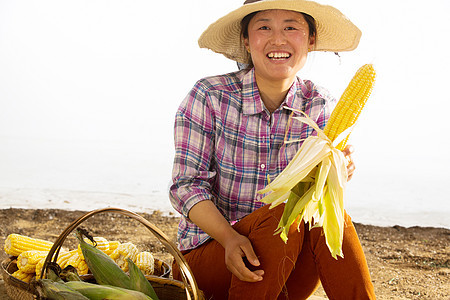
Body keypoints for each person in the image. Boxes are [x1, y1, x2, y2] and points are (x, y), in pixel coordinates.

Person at [169, 0, 376, 299]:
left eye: (291, 27)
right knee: (282, 214)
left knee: (327, 214)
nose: (278, 39)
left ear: (311, 39)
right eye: (264, 27)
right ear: (246, 40)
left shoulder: (320, 105)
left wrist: (337, 173)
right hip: (210, 258)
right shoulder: (209, 97)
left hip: (286, 266)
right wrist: (228, 239)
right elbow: (185, 186)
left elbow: (316, 195)